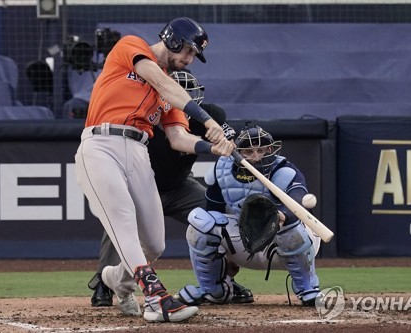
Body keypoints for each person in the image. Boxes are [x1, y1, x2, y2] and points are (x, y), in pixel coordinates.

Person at [74, 17, 235, 323]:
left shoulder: (170, 97)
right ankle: (156, 298)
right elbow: (159, 81)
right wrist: (210, 121)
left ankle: (116, 279)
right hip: (101, 143)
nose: (188, 60)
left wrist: (211, 146)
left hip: (137, 150)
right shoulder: (131, 46)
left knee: (154, 243)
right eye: (187, 51)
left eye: (192, 55)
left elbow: (178, 138)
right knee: (122, 216)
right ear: (172, 40)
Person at [88, 70, 253, 308]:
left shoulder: (210, 116)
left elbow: (231, 140)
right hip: (141, 186)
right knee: (120, 219)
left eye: (187, 93)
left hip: (179, 187)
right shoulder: (145, 116)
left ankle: (219, 282)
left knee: (219, 217)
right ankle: (105, 283)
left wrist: (232, 143)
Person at [176, 124, 321, 307]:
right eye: (249, 152)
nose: (255, 157)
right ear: (238, 151)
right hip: (245, 240)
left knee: (288, 229)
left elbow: (297, 203)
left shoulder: (284, 170)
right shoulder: (222, 170)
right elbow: (214, 212)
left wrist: (281, 216)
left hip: (282, 242)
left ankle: (308, 289)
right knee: (201, 223)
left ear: (270, 149)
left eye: (261, 150)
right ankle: (214, 290)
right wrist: (224, 256)